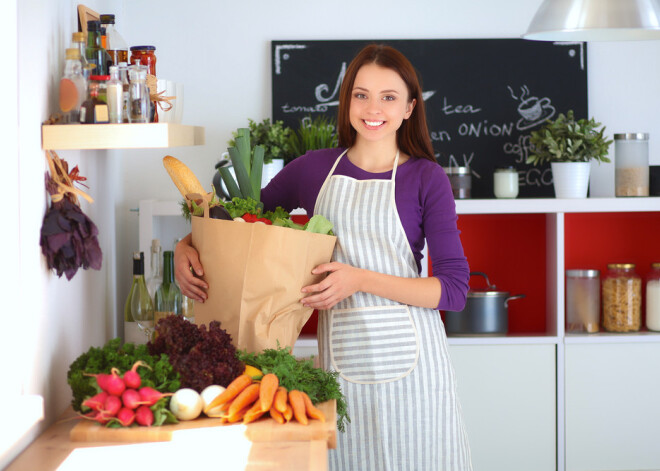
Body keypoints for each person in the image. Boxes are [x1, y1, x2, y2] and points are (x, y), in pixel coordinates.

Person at [175, 44, 472, 470]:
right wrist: (185, 246)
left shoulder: (426, 177)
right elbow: (236, 225)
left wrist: (359, 279)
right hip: (342, 366)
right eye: (361, 94)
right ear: (347, 100)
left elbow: (453, 290)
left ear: (409, 107)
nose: (373, 108)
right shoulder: (312, 169)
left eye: (389, 97)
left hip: (417, 372)